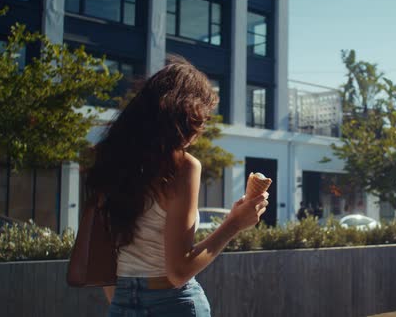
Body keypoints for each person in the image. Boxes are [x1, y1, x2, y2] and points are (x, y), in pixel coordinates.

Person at [85, 56, 269, 317]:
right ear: (187, 114)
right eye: (203, 118)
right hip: (174, 305)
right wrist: (234, 223)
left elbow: (103, 260)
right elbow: (178, 272)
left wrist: (129, 300)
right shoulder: (183, 167)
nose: (202, 128)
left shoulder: (111, 162)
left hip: (121, 302)